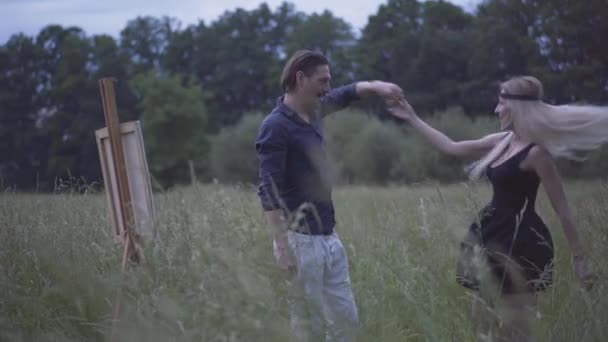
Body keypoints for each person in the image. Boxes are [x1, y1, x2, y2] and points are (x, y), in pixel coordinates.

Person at [386, 75, 605, 341]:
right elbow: (451, 147)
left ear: (518, 108)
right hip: (490, 234)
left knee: (517, 331)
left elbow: (563, 210)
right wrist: (411, 117)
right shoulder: (502, 140)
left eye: (501, 104)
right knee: (482, 326)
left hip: (521, 242)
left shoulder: (536, 154)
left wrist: (579, 259)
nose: (496, 109)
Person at [255, 49, 403, 341]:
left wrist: (377, 86)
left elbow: (347, 94)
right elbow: (267, 189)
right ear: (300, 78)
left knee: (346, 323)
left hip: (328, 236)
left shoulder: (315, 110)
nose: (328, 88)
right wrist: (281, 246)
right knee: (309, 326)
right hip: (301, 241)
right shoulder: (275, 127)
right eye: (323, 81)